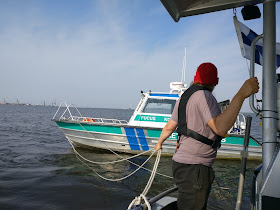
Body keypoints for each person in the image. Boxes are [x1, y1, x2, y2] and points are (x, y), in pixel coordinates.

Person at [154, 62, 259, 210]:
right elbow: (220, 129)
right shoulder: (205, 96)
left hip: (180, 165)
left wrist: (159, 143)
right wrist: (241, 94)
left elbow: (169, 127)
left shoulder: (183, 98)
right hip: (195, 169)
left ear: (195, 78)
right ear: (214, 82)